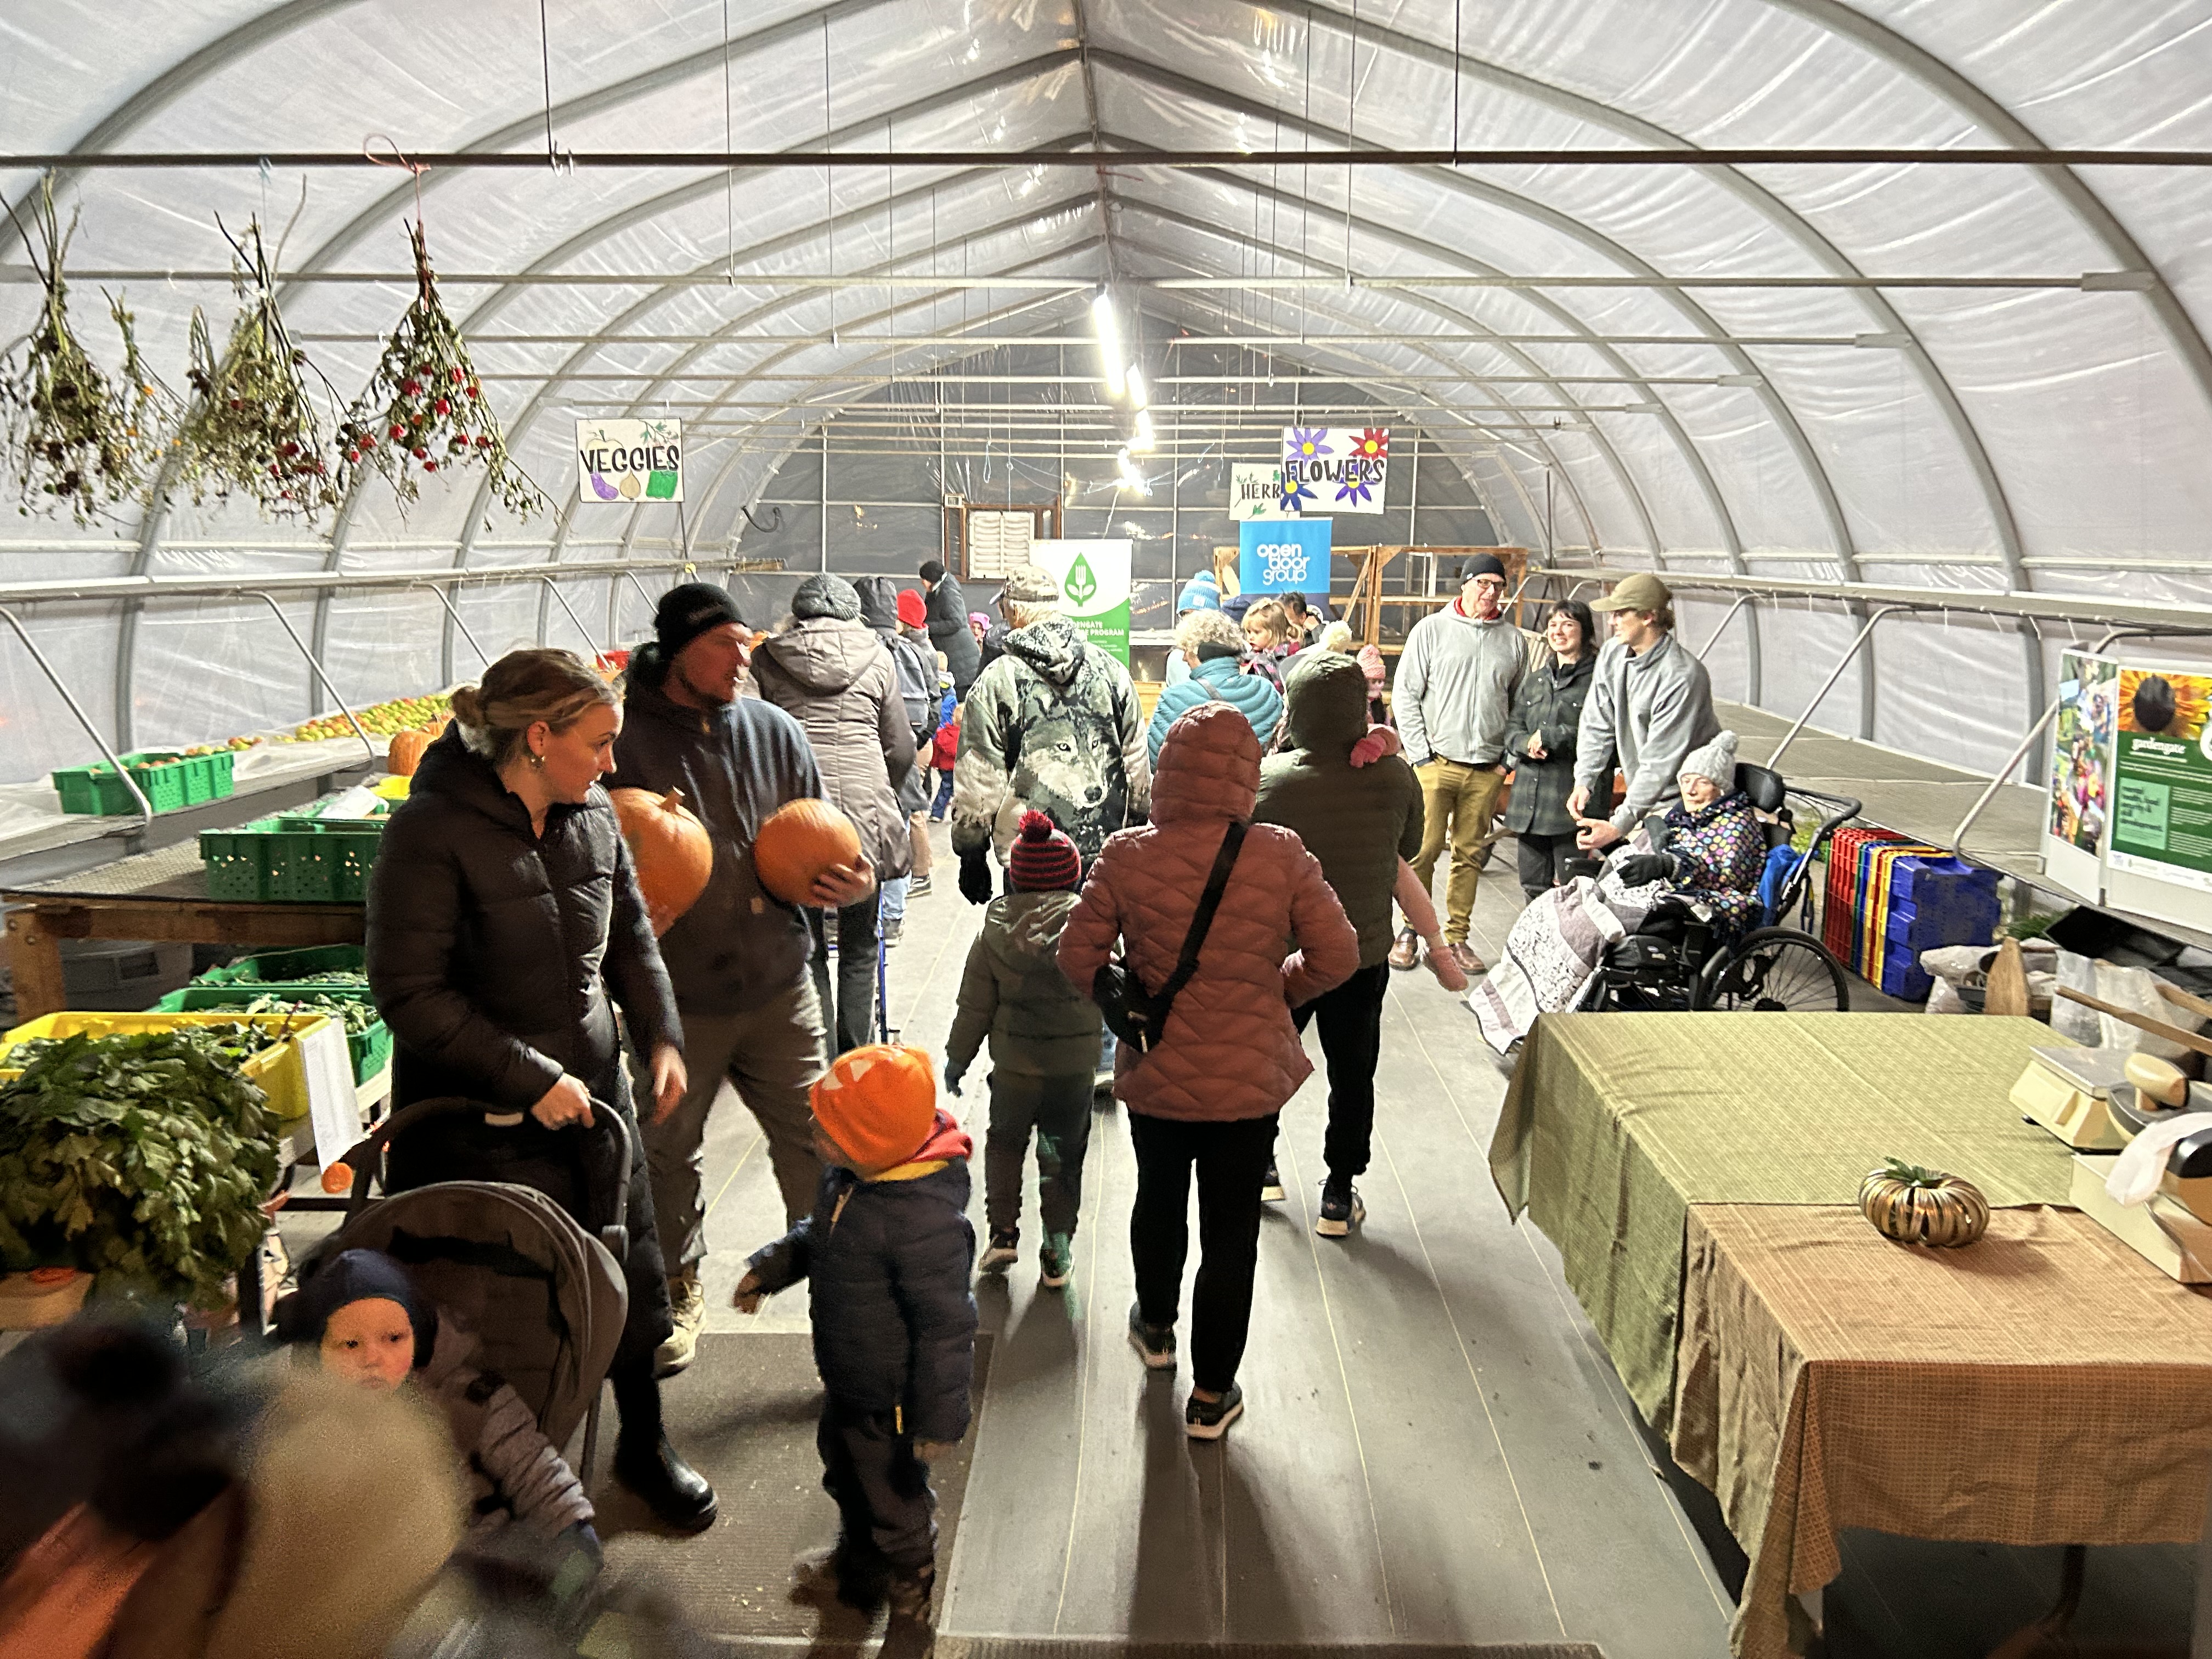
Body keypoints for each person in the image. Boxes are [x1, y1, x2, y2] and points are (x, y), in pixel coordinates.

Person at [365, 647, 714, 1530]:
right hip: (479, 1126)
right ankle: (496, 1476)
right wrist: (529, 1077)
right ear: (536, 738)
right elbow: (410, 994)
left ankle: (644, 1443)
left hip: (595, 1107)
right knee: (502, 1304)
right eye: (598, 744)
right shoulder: (429, 834)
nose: (611, 765)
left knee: (628, 1273)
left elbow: (632, 938)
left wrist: (662, 1036)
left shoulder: (592, 815)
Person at [1057, 702, 1359, 1440]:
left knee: (1158, 1200)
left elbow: (1076, 957)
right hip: (1249, 1079)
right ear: (1247, 776)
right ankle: (1212, 1396)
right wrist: (1272, 992)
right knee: (1231, 1234)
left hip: (1157, 1069)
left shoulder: (1127, 854)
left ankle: (1155, 1330)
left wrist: (1131, 995)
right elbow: (1339, 955)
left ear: (1167, 773)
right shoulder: (1280, 852)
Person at [612, 582, 872, 1378]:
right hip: (676, 998)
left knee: (818, 1141)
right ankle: (679, 1286)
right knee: (668, 1151)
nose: (743, 656)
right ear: (679, 648)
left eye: (746, 640)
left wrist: (854, 886)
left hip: (778, 983)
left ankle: (839, 1293)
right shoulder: (621, 744)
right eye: (726, 642)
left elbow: (829, 840)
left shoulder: (775, 730)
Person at [734, 1045, 976, 1632]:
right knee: (844, 1472)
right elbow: (819, 1235)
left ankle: (911, 1594)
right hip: (847, 1374)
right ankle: (859, 1562)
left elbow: (948, 1329)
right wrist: (772, 1267)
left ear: (875, 1143)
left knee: (895, 1499)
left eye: (829, 1128)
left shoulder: (923, 1222)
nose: (813, 1130)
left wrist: (941, 1421)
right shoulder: (851, 1177)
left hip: (892, 1399)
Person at [277, 1249, 599, 1573]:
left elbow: (534, 1471)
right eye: (350, 1344)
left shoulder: (473, 1400)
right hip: (378, 1577)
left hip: (482, 1558)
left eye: (392, 1338)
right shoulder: (312, 1420)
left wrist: (571, 1526)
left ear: (419, 1338)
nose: (372, 1358)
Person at [1252, 651, 1424, 1237]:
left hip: (1285, 952)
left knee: (1270, 1058)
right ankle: (1338, 1191)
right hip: (1363, 950)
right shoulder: (1397, 775)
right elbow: (1414, 846)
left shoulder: (1268, 779)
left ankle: (1262, 1167)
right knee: (1353, 1072)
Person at [1469, 731, 1764, 1053]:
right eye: (1686, 780)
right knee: (1547, 911)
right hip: (1642, 892)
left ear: (1721, 787)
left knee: (1580, 930)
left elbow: (1726, 872)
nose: (1691, 790)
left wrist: (1668, 866)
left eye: (1702, 782)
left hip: (1682, 909)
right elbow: (1645, 854)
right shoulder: (1683, 816)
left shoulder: (1736, 826)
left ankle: (1540, 1024)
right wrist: (1617, 847)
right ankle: (1508, 1010)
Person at [752, 574, 913, 1054]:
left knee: (810, 948)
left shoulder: (766, 658)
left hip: (793, 820)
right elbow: (901, 747)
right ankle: (858, 1056)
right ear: (852, 614)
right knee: (862, 945)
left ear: (798, 614)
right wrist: (886, 788)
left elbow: (755, 736)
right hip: (863, 816)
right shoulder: (879, 657)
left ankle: (818, 1056)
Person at [943, 811, 1102, 1289]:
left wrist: (957, 1058)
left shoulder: (992, 931)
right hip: (1074, 1073)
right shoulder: (1093, 928)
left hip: (1014, 1070)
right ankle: (1057, 1250)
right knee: (1062, 1157)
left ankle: (1003, 1234)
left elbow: (974, 1006)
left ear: (1013, 876)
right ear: (1073, 873)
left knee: (1007, 1146)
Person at [951, 562, 1150, 897]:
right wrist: (1135, 831)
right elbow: (1136, 764)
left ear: (1012, 610)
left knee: (1030, 944)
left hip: (1028, 858)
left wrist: (972, 855)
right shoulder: (1113, 673)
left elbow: (980, 776)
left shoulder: (998, 680)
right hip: (1104, 854)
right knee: (1098, 945)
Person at [1389, 554, 1526, 978]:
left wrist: (1507, 762)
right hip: (1437, 765)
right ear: (1464, 585)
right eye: (1482, 583)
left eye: (1498, 586)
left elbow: (1521, 705)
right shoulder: (1431, 631)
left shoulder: (1514, 641)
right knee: (1423, 852)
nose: (1490, 593)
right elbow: (1406, 695)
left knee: (1470, 854)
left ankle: (1457, 938)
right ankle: (1412, 931)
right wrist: (1421, 757)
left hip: (1486, 769)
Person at [1566, 570, 1722, 854]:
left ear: (1648, 617)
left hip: (1686, 802)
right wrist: (1584, 780)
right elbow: (1597, 722)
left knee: (1664, 886)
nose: (1612, 621)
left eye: (1620, 614)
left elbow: (1659, 763)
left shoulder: (1682, 677)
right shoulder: (1613, 654)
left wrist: (1619, 824)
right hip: (1645, 797)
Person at [1502, 599, 1600, 904]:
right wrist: (1524, 745)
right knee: (1532, 887)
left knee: (1575, 891)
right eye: (1553, 625)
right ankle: (1536, 948)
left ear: (1585, 632)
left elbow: (1603, 734)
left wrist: (1551, 737)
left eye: (1568, 624)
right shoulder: (1537, 680)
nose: (1558, 632)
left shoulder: (1599, 681)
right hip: (1529, 803)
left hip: (1570, 804)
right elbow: (1513, 727)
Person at [856, 578, 942, 926]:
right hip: (903, 763)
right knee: (899, 834)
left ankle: (860, 919)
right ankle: (893, 917)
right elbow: (934, 706)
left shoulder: (857, 651)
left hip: (862, 765)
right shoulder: (916, 654)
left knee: (860, 840)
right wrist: (913, 746)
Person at [1147, 607, 1283, 768]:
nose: (1184, 658)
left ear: (1202, 651)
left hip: (1198, 792)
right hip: (1256, 791)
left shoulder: (1174, 698)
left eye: (1186, 651)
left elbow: (1156, 762)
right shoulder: (1267, 692)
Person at [918, 559, 981, 697]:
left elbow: (956, 622)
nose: (922, 583)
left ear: (931, 579)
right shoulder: (936, 592)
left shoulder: (948, 593)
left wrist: (929, 627)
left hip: (962, 661)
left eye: (924, 579)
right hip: (953, 654)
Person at [1163, 570, 1222, 689]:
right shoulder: (1179, 658)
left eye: (1197, 615)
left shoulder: (1232, 651)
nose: (1191, 621)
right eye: (1185, 614)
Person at [1238, 599, 1297, 695]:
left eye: (1257, 632)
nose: (1250, 637)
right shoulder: (1250, 657)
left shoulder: (1289, 656)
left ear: (1274, 632)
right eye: (1248, 632)